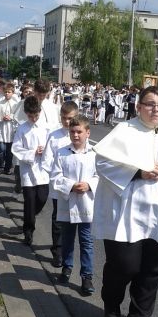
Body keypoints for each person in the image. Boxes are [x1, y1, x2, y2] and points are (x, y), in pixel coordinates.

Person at [92, 86, 158, 317]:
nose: (155, 110)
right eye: (150, 104)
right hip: (126, 212)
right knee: (124, 265)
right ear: (138, 106)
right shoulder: (124, 130)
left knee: (152, 269)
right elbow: (103, 162)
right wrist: (139, 172)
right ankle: (111, 300)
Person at [51, 115, 98, 296]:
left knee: (86, 242)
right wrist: (71, 185)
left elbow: (100, 176)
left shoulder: (94, 153)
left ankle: (87, 276)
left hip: (87, 204)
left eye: (79, 132)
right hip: (68, 202)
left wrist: (89, 185)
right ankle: (67, 267)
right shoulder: (62, 153)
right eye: (72, 132)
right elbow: (55, 176)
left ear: (87, 133)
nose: (76, 135)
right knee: (67, 239)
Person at [42, 101, 79, 268]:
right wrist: (58, 175)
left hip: (76, 186)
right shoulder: (54, 136)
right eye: (64, 118)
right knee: (58, 218)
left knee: (74, 219)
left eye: (70, 118)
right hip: (59, 184)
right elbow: (46, 160)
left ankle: (68, 251)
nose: (67, 122)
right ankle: (57, 251)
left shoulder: (79, 135)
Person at [12, 95, 50, 246]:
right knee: (29, 201)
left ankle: (30, 216)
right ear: (26, 114)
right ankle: (28, 231)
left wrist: (45, 150)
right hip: (27, 170)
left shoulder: (46, 128)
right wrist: (33, 152)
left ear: (40, 112)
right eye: (30, 116)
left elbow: (52, 146)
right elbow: (16, 148)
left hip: (43, 170)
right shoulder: (22, 129)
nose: (33, 119)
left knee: (42, 198)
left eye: (36, 115)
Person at [0, 82, 17, 174]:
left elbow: (18, 117)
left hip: (10, 130)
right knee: (1, 150)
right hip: (1, 129)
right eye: (6, 92)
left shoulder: (15, 104)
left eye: (9, 92)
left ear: (13, 93)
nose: (7, 94)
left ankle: (7, 168)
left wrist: (11, 117)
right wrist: (1, 118)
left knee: (9, 151)